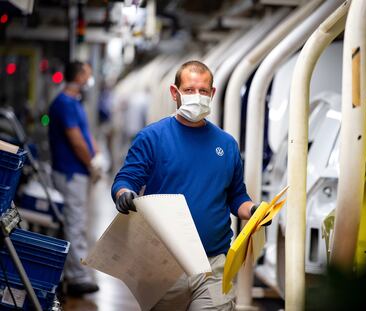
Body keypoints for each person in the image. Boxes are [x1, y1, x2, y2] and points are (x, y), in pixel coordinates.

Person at [111, 60, 262, 310]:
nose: (197, 96)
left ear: (213, 94)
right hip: (164, 263)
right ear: (175, 93)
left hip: (213, 263)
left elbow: (237, 196)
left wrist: (254, 211)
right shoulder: (152, 137)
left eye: (203, 91)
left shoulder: (226, 144)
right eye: (190, 90)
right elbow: (127, 179)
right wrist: (124, 194)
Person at [48, 60, 103, 296]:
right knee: (75, 223)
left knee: (76, 221)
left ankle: (71, 272)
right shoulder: (64, 103)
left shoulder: (74, 102)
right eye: (88, 75)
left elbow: (85, 134)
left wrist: (97, 152)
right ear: (79, 76)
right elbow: (76, 139)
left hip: (76, 172)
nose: (89, 80)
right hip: (71, 173)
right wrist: (90, 163)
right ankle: (77, 277)